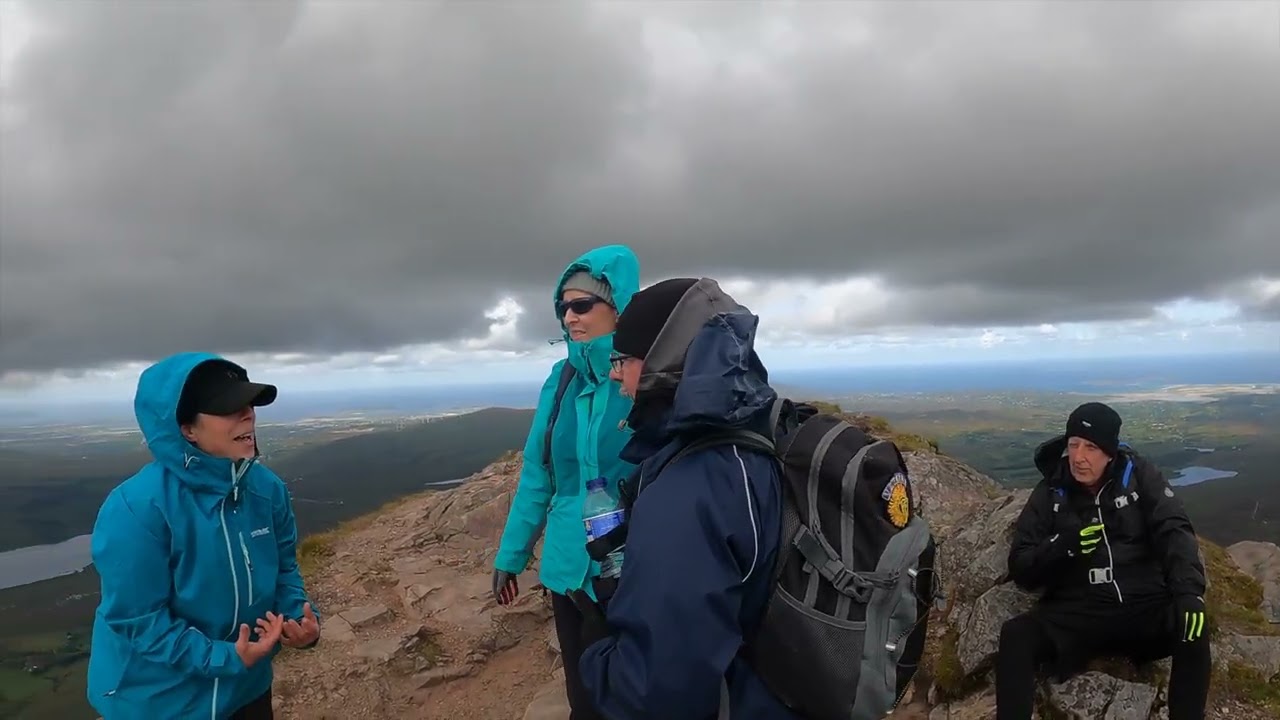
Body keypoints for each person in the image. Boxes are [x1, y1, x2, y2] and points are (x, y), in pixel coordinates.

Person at [578, 277, 799, 719]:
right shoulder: (757, 435)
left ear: (664, 360)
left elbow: (654, 692)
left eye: (623, 358)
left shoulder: (691, 488)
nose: (615, 373)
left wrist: (596, 652)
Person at [87, 352, 319, 720]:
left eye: (248, 404)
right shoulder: (137, 508)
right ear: (186, 430)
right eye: (228, 408)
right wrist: (224, 657)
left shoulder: (266, 490)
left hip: (246, 688)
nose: (247, 414)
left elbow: (285, 568)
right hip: (160, 702)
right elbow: (138, 620)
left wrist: (298, 620)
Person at [491, 245, 640, 720]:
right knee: (583, 696)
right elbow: (539, 472)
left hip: (632, 565)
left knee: (635, 694)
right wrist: (511, 555)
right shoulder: (560, 379)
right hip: (565, 564)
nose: (569, 318)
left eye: (581, 305)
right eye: (562, 308)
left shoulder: (641, 375)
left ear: (617, 306)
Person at [997, 401, 1211, 720]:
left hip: (1144, 606)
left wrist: (1189, 592)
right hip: (1078, 614)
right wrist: (1062, 547)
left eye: (1091, 447)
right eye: (1073, 445)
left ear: (1110, 451)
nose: (1079, 457)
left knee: (1193, 625)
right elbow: (1022, 567)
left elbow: (1173, 529)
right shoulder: (1051, 491)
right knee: (1016, 636)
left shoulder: (1139, 476)